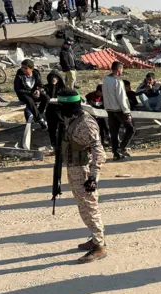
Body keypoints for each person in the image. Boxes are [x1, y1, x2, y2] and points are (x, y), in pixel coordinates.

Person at [56, 89, 108, 263]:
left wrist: (93, 178)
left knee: (90, 207)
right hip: (74, 168)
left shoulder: (86, 123)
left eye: (62, 106)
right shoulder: (71, 118)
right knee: (83, 206)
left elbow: (99, 151)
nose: (60, 109)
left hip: (84, 171)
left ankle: (99, 246)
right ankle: (95, 238)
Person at [102, 61, 134, 160]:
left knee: (114, 132)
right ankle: (121, 148)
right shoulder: (118, 81)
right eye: (122, 69)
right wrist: (127, 112)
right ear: (118, 69)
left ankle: (116, 154)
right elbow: (121, 98)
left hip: (109, 110)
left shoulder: (106, 80)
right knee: (131, 129)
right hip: (119, 110)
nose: (122, 71)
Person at [14, 59, 49, 129]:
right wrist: (30, 93)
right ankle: (40, 119)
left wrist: (38, 90)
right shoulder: (19, 74)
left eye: (25, 68)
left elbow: (39, 84)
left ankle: (38, 115)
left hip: (33, 92)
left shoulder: (36, 73)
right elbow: (17, 89)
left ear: (31, 69)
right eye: (22, 67)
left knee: (46, 97)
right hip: (23, 94)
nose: (23, 69)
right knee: (30, 101)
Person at [42, 70, 65, 146]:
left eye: (55, 77)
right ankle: (53, 143)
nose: (53, 78)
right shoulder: (46, 87)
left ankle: (62, 142)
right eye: (52, 77)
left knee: (63, 126)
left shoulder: (62, 88)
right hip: (50, 111)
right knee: (52, 129)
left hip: (60, 111)